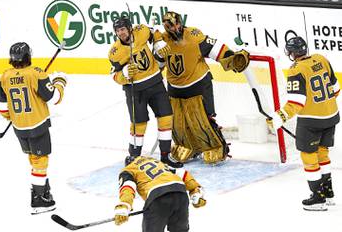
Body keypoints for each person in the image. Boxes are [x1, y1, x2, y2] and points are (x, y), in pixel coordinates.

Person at [157, 11, 250, 164]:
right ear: (166, 28)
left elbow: (216, 48)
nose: (175, 28)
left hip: (198, 85)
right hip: (175, 88)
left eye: (177, 24)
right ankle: (186, 146)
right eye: (171, 26)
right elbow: (157, 65)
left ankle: (214, 147)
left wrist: (233, 58)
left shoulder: (194, 35)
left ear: (181, 22)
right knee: (178, 123)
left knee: (202, 120)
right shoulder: (162, 42)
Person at [266, 36, 339, 211]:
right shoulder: (322, 59)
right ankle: (328, 194)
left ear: (291, 53)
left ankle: (318, 199)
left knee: (309, 156)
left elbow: (296, 102)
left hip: (311, 121)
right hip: (331, 116)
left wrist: (280, 117)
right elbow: (335, 89)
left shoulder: (295, 70)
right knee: (323, 153)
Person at [0, 42, 67, 214]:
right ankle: (39, 198)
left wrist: (14, 117)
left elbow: (2, 107)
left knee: (34, 160)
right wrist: (60, 82)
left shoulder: (4, 77)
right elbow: (53, 97)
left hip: (19, 128)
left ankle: (43, 189)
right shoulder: (36, 74)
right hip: (37, 126)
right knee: (40, 162)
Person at [109, 16, 181, 168]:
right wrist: (125, 74)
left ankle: (165, 156)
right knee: (139, 124)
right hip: (135, 90)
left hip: (155, 82)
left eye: (122, 29)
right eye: (117, 31)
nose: (120, 33)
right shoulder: (115, 52)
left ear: (130, 28)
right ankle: (134, 157)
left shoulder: (141, 31)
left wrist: (158, 41)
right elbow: (114, 75)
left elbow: (153, 32)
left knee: (166, 118)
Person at [114, 156, 206, 231]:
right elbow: (182, 173)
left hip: (158, 197)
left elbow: (128, 187)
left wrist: (124, 206)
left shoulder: (128, 169)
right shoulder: (157, 162)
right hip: (180, 193)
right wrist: (195, 191)